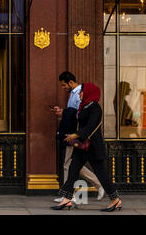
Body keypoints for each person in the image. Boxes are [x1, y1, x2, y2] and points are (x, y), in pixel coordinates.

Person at [51, 83, 122, 211]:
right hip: (82, 146)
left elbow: (91, 126)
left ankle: (115, 199)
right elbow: (76, 118)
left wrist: (75, 135)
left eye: (82, 92)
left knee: (101, 174)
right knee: (73, 170)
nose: (79, 94)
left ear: (89, 92)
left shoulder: (95, 107)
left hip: (92, 146)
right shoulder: (83, 106)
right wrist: (63, 113)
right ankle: (67, 199)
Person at [52, 72, 104, 203]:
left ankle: (68, 195)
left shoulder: (79, 93)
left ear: (70, 82)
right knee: (73, 164)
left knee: (68, 164)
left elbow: (79, 114)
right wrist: (63, 111)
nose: (63, 88)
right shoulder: (74, 94)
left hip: (75, 134)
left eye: (64, 85)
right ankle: (98, 184)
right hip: (73, 133)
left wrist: (64, 112)